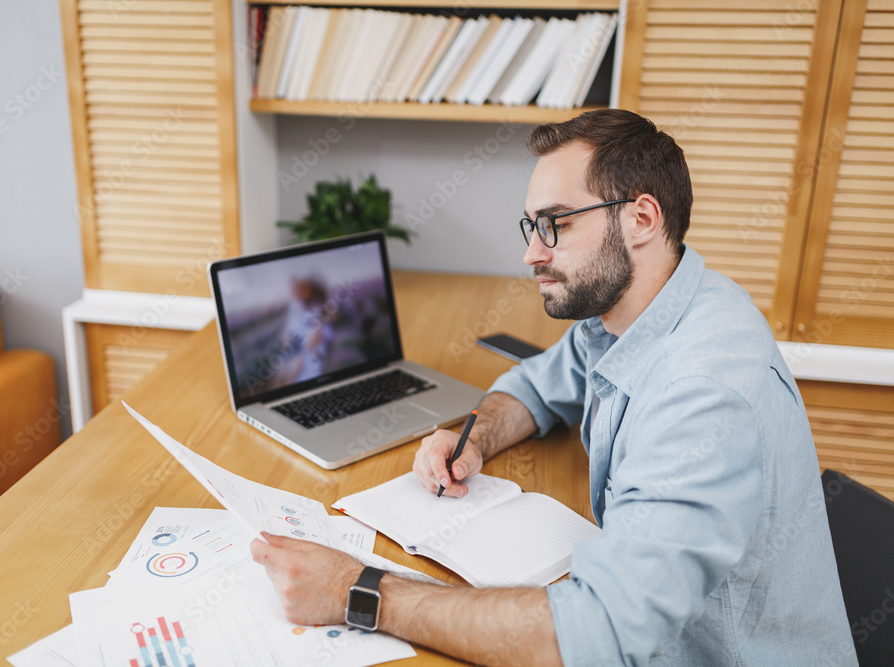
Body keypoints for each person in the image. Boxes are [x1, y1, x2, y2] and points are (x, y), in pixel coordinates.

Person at [251, 109, 857, 665]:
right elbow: (543, 384)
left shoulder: (704, 391)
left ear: (641, 218)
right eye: (530, 225)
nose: (529, 254)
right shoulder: (637, 308)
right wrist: (477, 436)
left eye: (553, 225)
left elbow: (598, 634)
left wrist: (360, 591)